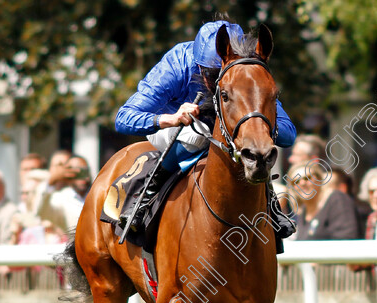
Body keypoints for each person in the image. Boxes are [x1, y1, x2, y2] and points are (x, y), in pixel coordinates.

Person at [114, 20, 296, 231]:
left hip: (227, 131)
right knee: (197, 135)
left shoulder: (247, 71)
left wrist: (258, 122)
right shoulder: (176, 65)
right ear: (199, 65)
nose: (219, 79)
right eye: (212, 73)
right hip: (173, 127)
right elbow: (124, 118)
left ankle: (271, 205)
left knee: (255, 139)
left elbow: (288, 135)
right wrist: (170, 118)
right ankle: (145, 197)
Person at [292, 162, 360, 240]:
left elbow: (345, 240)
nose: (302, 183)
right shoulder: (302, 212)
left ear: (319, 179)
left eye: (307, 178)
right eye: (296, 182)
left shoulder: (337, 199)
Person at [35, 155, 91, 236]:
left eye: (84, 171)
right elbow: (41, 212)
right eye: (75, 172)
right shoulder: (61, 198)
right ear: (67, 174)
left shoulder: (98, 193)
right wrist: (52, 180)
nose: (81, 177)